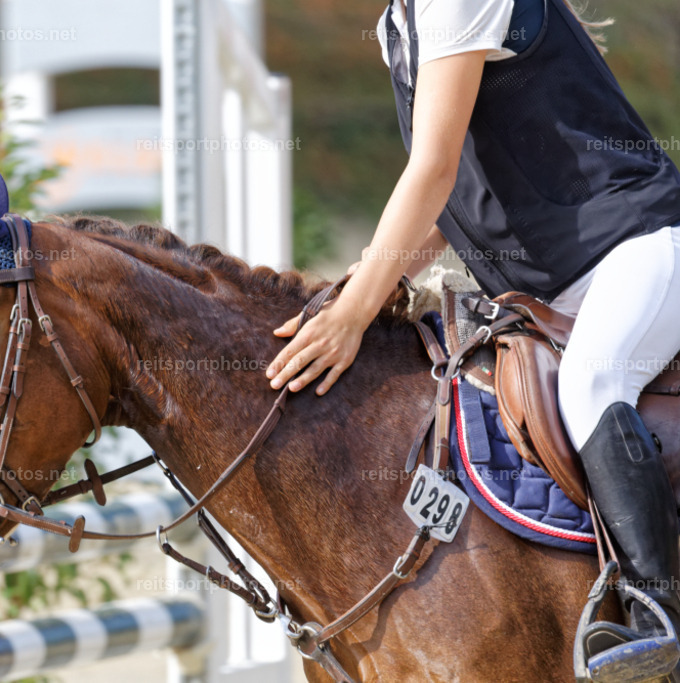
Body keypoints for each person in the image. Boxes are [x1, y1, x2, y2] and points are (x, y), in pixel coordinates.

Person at [265, 0, 680, 679]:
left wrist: (356, 311)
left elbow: (432, 171)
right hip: (557, 289)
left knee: (592, 383)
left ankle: (653, 618)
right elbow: (452, 203)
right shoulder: (398, 26)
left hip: (639, 247)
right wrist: (361, 287)